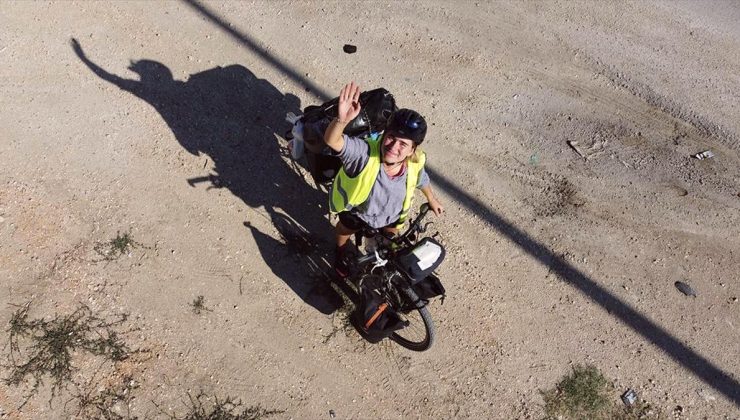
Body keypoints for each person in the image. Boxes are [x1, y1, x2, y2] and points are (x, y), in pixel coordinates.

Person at [324, 81, 444, 277]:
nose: (394, 147)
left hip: (392, 217)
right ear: (383, 134)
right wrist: (341, 121)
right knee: (344, 231)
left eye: (403, 144)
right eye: (391, 137)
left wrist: (431, 198)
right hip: (357, 212)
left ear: (413, 150)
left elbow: (422, 179)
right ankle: (339, 252)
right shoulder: (364, 154)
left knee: (391, 246)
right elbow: (333, 141)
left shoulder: (414, 163)